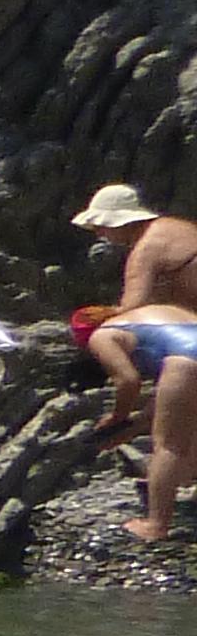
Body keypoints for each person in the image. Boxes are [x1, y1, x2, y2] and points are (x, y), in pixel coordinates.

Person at [81, 185, 197, 539]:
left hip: (190, 358)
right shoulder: (180, 230)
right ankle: (188, 481)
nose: (100, 235)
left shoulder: (146, 249)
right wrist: (132, 425)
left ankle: (157, 524)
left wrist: (117, 417)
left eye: (102, 227)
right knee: (181, 420)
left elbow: (128, 380)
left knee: (169, 443)